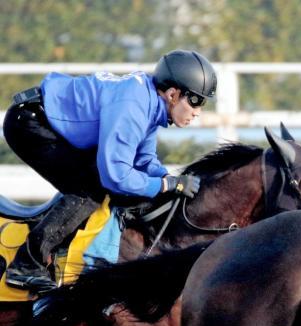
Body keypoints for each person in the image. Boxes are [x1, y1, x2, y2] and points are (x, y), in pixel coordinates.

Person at [3, 49, 217, 293]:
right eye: (195, 101)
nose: (198, 111)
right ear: (172, 94)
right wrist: (166, 186)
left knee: (95, 182)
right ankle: (26, 266)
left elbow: (144, 160)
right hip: (29, 123)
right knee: (88, 190)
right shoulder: (134, 105)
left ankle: (62, 244)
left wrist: (170, 179)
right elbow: (117, 176)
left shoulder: (148, 101)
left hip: (44, 119)